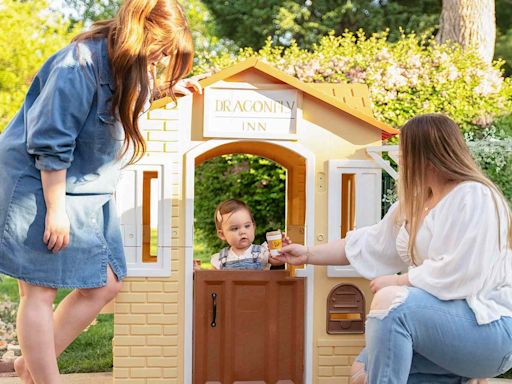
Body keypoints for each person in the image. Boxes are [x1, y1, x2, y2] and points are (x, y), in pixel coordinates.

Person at [0, 1, 204, 383]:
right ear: (139, 34)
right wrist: (54, 209)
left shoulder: (129, 67)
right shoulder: (76, 66)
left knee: (106, 282)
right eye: (160, 51)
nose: (160, 60)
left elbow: (121, 102)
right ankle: (45, 378)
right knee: (39, 291)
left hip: (87, 186)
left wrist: (165, 90)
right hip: (39, 182)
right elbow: (50, 141)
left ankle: (31, 364)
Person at [275, 113, 512, 384]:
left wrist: (402, 280)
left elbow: (465, 272)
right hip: (442, 327)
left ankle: (466, 373)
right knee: (362, 372)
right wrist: (307, 253)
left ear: (426, 153)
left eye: (403, 150)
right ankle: (460, 378)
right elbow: (370, 243)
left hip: (489, 327)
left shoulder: (473, 196)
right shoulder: (415, 203)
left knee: (391, 302)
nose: (399, 158)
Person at [210, 199, 285, 270]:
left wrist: (280, 249)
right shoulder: (220, 259)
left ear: (253, 227)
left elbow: (278, 261)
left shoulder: (262, 252)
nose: (243, 232)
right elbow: (209, 278)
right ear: (222, 234)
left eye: (247, 226)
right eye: (235, 228)